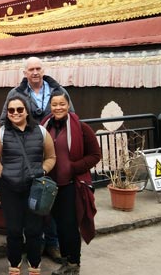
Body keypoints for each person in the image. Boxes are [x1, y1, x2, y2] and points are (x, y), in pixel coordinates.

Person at [0, 56, 73, 262]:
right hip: (26, 153)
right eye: (30, 69)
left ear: (43, 70)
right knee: (34, 201)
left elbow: (71, 117)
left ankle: (53, 242)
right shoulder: (15, 94)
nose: (35, 72)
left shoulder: (59, 92)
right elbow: (4, 120)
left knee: (50, 197)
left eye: (38, 68)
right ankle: (36, 243)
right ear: (24, 73)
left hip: (53, 150)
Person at [0, 95, 57, 275]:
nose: (15, 113)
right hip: (11, 189)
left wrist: (43, 170)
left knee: (34, 230)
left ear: (26, 111)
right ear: (7, 113)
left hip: (34, 189)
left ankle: (34, 266)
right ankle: (14, 266)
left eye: (19, 109)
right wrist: (5, 173)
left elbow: (51, 157)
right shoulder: (2, 133)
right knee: (14, 231)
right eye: (11, 110)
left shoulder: (41, 131)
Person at [41, 91, 101, 275]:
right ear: (50, 107)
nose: (58, 108)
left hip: (71, 185)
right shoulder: (44, 126)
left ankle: (73, 263)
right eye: (54, 104)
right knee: (58, 225)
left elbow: (95, 155)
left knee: (69, 225)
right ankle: (67, 260)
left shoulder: (82, 128)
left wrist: (73, 167)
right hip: (51, 186)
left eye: (62, 104)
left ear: (68, 106)